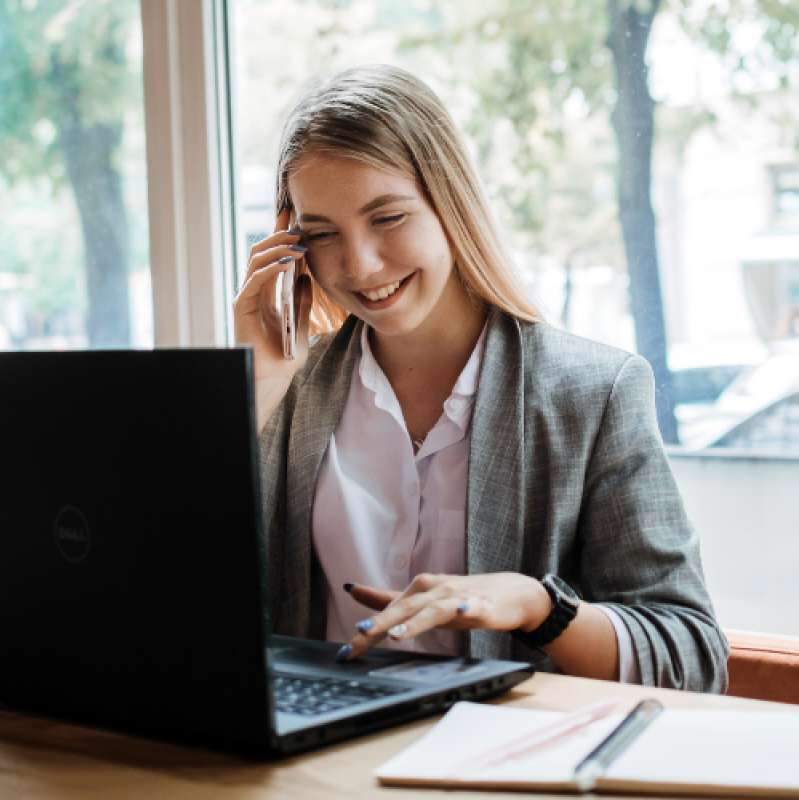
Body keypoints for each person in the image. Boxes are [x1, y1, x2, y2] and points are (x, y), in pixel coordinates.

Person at [234, 64, 728, 692]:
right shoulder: (287, 392)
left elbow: (689, 654)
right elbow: (171, 600)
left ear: (450, 203)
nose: (358, 264)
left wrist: (538, 608)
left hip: (504, 772)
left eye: (387, 217)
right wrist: (253, 385)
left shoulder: (593, 393)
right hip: (322, 769)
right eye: (322, 233)